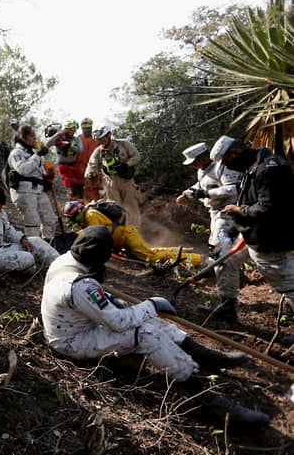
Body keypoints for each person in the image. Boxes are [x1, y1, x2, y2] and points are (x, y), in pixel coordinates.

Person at [41, 226, 267, 429]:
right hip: (71, 341)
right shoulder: (80, 285)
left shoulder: (66, 261)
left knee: (146, 319)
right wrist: (151, 304)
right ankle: (205, 399)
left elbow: (94, 300)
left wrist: (134, 308)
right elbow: (118, 322)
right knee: (145, 333)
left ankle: (203, 355)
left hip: (74, 326)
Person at [213, 136, 294, 343]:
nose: (227, 167)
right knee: (225, 261)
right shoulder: (252, 166)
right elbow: (249, 198)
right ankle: (226, 307)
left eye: (226, 162)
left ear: (234, 153)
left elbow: (269, 208)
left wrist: (238, 209)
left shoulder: (269, 169)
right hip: (251, 234)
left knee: (288, 285)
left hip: (271, 239)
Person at [176, 142, 247, 321]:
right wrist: (188, 193)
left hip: (228, 216)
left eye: (195, 161)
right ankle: (230, 291)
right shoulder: (203, 171)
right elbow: (201, 185)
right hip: (216, 216)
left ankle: (228, 304)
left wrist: (207, 194)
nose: (193, 165)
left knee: (221, 255)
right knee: (220, 254)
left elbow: (232, 188)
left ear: (204, 157)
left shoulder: (222, 167)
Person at [62, 200, 203, 268]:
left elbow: (97, 234)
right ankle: (181, 251)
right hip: (124, 239)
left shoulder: (91, 214)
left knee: (150, 257)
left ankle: (196, 259)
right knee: (150, 252)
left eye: (73, 217)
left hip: (127, 236)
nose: (74, 220)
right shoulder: (88, 217)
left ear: (78, 212)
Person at [4, 125, 56, 240]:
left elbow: (38, 171)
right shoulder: (16, 153)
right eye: (32, 136)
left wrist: (48, 177)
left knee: (50, 219)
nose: (35, 139)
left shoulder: (32, 152)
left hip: (38, 191)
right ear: (23, 137)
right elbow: (23, 169)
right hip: (24, 192)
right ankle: (34, 250)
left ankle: (48, 244)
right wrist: (37, 156)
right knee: (33, 223)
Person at [85, 127, 142, 226]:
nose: (101, 141)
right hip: (109, 184)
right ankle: (119, 233)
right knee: (114, 210)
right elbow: (91, 166)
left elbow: (137, 156)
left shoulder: (123, 144)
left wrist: (126, 164)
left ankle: (135, 232)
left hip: (127, 183)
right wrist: (90, 174)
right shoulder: (98, 152)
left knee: (132, 209)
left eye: (103, 138)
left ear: (109, 135)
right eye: (99, 140)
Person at [44, 121, 83, 200]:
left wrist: (71, 146)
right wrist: (59, 134)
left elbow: (80, 151)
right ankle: (70, 205)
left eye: (72, 130)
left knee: (81, 185)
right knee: (72, 186)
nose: (70, 131)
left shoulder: (77, 139)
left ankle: (80, 204)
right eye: (68, 129)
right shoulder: (59, 138)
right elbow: (47, 144)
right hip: (63, 166)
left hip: (74, 165)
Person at [77, 118, 101, 202]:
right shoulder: (77, 139)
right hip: (80, 172)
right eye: (84, 128)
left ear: (91, 128)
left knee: (97, 196)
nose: (86, 130)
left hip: (95, 172)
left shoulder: (97, 139)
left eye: (88, 128)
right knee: (81, 197)